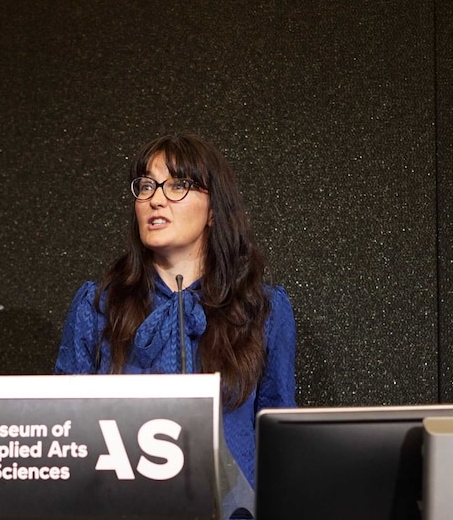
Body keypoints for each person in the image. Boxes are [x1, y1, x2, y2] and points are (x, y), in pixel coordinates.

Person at [54, 133, 296, 498]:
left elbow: (279, 437)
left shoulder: (262, 308)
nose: (156, 199)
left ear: (214, 209)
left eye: (179, 185)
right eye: (147, 185)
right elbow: (63, 432)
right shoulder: (98, 305)